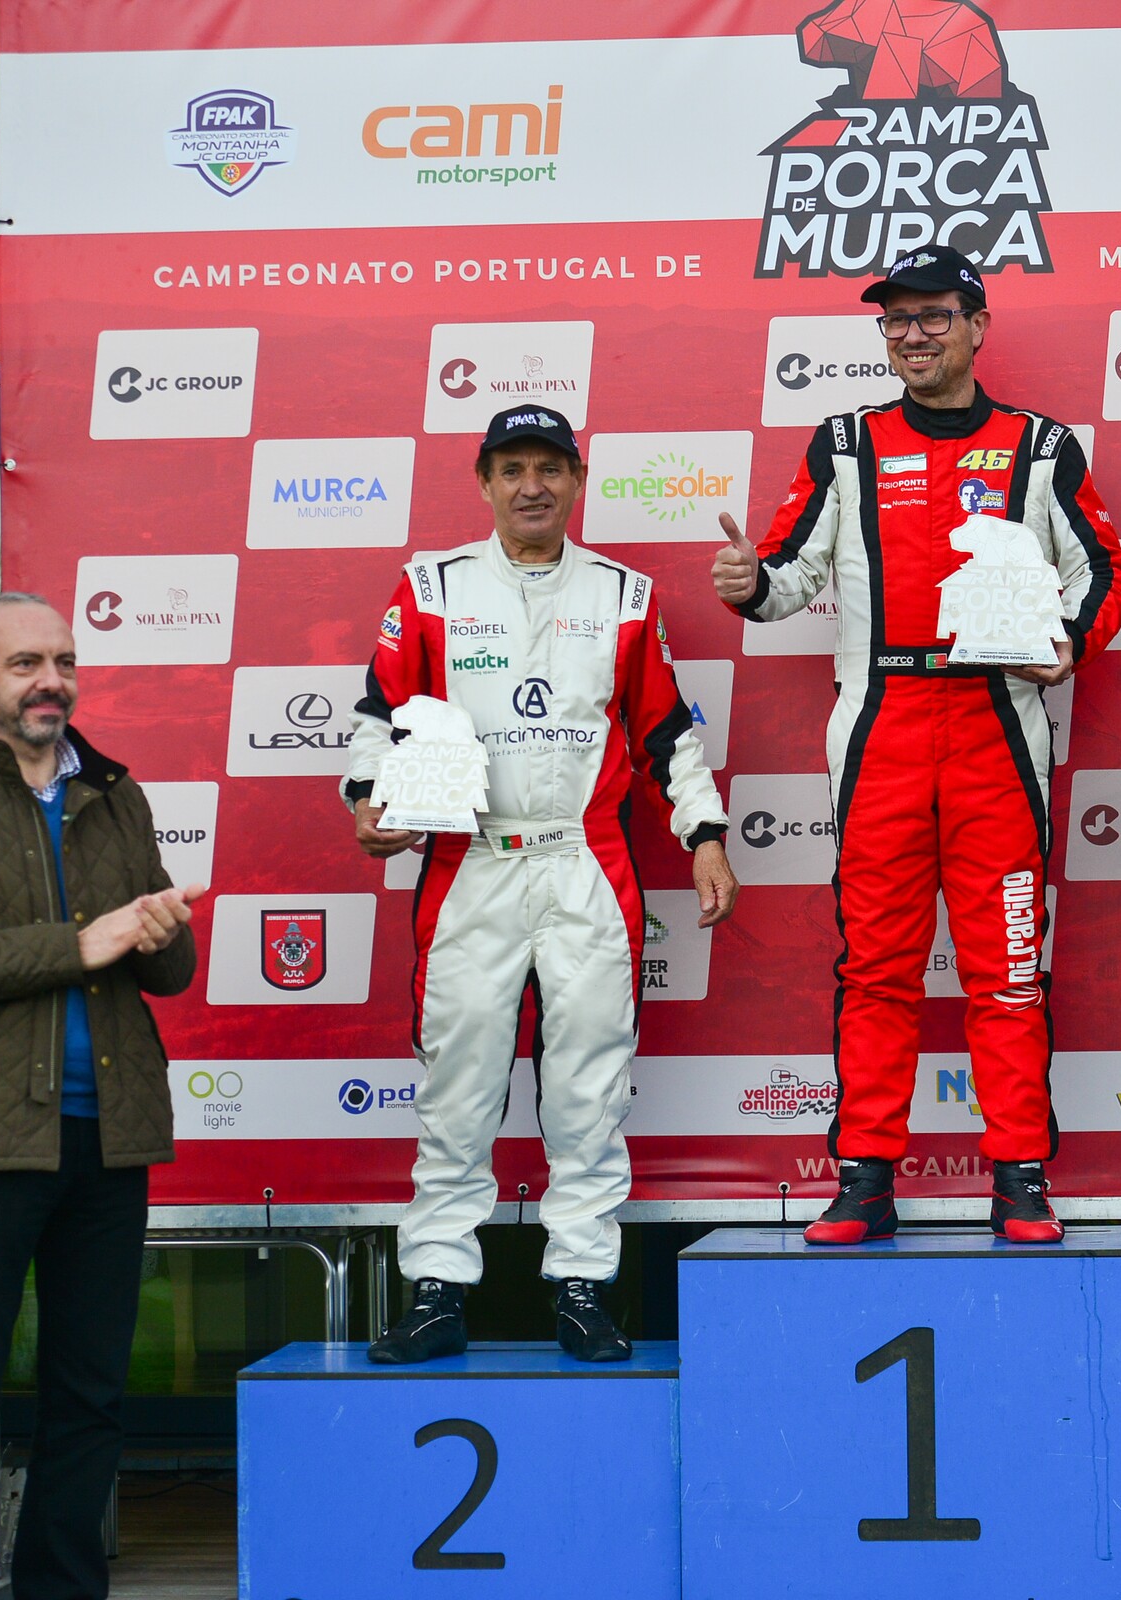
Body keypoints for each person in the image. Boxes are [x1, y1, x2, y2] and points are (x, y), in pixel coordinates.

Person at [713, 244, 1121, 1245]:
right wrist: (749, 584)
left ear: (977, 326)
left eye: (934, 315)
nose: (913, 334)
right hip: (882, 728)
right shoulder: (846, 442)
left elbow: (1106, 570)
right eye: (897, 318)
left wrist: (1067, 645)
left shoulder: (1040, 446)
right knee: (876, 970)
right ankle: (863, 1178)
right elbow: (786, 575)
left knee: (1009, 968)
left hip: (995, 722)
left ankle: (1020, 1176)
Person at [349, 404, 736, 1364]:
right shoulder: (431, 586)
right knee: (458, 1085)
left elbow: (665, 734)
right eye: (513, 469)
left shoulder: (624, 594)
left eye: (550, 468)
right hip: (468, 859)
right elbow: (379, 714)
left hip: (584, 860)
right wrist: (368, 797)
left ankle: (583, 1287)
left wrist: (704, 834)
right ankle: (436, 1291)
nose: (532, 486)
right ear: (484, 482)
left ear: (577, 480)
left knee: (588, 1090)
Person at [0, 594, 205, 1600]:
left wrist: (163, 931)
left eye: (63, 660)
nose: (50, 681)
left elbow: (167, 975)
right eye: (25, 664)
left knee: (89, 1395)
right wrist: (81, 942)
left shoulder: (116, 792)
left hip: (110, 1133)